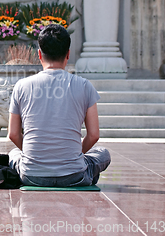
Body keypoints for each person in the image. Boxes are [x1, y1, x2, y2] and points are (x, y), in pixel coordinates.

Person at [8, 24, 111, 187]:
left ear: (39, 54)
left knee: (13, 153)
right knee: (103, 153)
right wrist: (74, 157)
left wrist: (33, 157)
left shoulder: (22, 86)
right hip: (74, 175)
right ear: (68, 54)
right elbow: (94, 135)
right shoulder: (84, 86)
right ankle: (83, 171)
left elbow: (13, 134)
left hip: (31, 175)